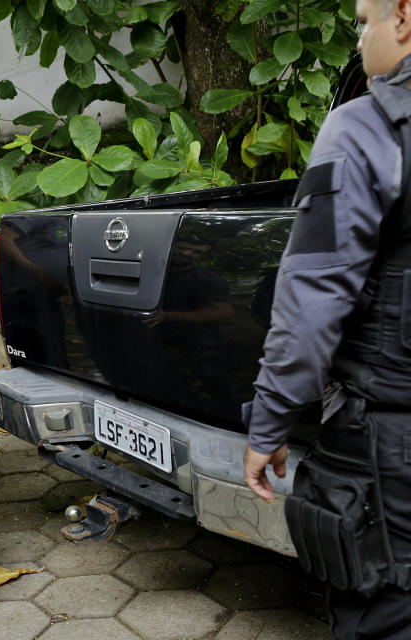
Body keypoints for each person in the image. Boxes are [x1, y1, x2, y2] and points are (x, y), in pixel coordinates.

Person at [244, 0, 411, 636]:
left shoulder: (367, 130)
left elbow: (309, 311)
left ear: (401, 16)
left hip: (390, 449)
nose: (362, 39)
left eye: (364, 21)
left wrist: (269, 425)